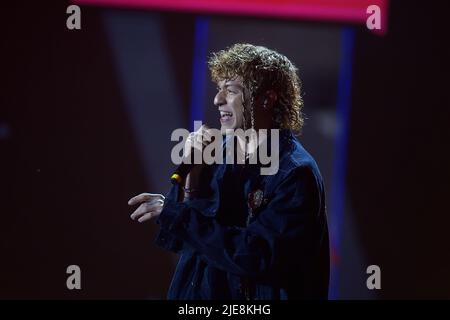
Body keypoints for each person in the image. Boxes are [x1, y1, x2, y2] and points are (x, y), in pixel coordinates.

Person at [128, 43, 329, 299]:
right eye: (218, 89)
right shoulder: (216, 153)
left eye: (231, 90)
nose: (217, 99)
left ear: (267, 98)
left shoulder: (295, 173)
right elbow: (180, 241)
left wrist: (177, 215)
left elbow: (257, 255)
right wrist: (194, 175)